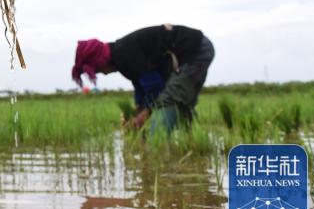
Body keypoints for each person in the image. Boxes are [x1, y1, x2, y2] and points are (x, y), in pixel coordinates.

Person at [71, 24, 215, 133]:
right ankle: (192, 141)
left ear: (101, 61)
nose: (101, 73)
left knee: (169, 100)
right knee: (181, 102)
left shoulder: (124, 56)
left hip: (196, 50)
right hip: (192, 50)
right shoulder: (122, 58)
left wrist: (142, 117)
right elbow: (143, 89)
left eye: (97, 70)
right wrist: (135, 112)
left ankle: (162, 150)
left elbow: (156, 88)